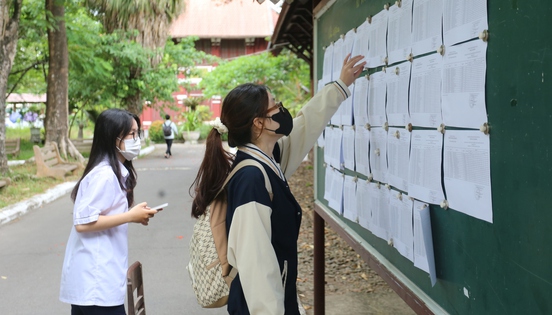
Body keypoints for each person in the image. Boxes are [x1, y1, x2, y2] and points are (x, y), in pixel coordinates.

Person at [190, 54, 366, 315]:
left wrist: (340, 85)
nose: (283, 110)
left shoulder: (266, 160)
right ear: (259, 123)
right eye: (275, 106)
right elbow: (257, 268)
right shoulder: (251, 179)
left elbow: (305, 125)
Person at [59, 108, 159, 315]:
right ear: (113, 138)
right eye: (131, 134)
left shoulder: (113, 173)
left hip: (96, 281)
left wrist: (132, 215)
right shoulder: (104, 175)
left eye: (137, 133)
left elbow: (102, 214)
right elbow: (83, 223)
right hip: (96, 281)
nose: (136, 139)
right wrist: (130, 216)